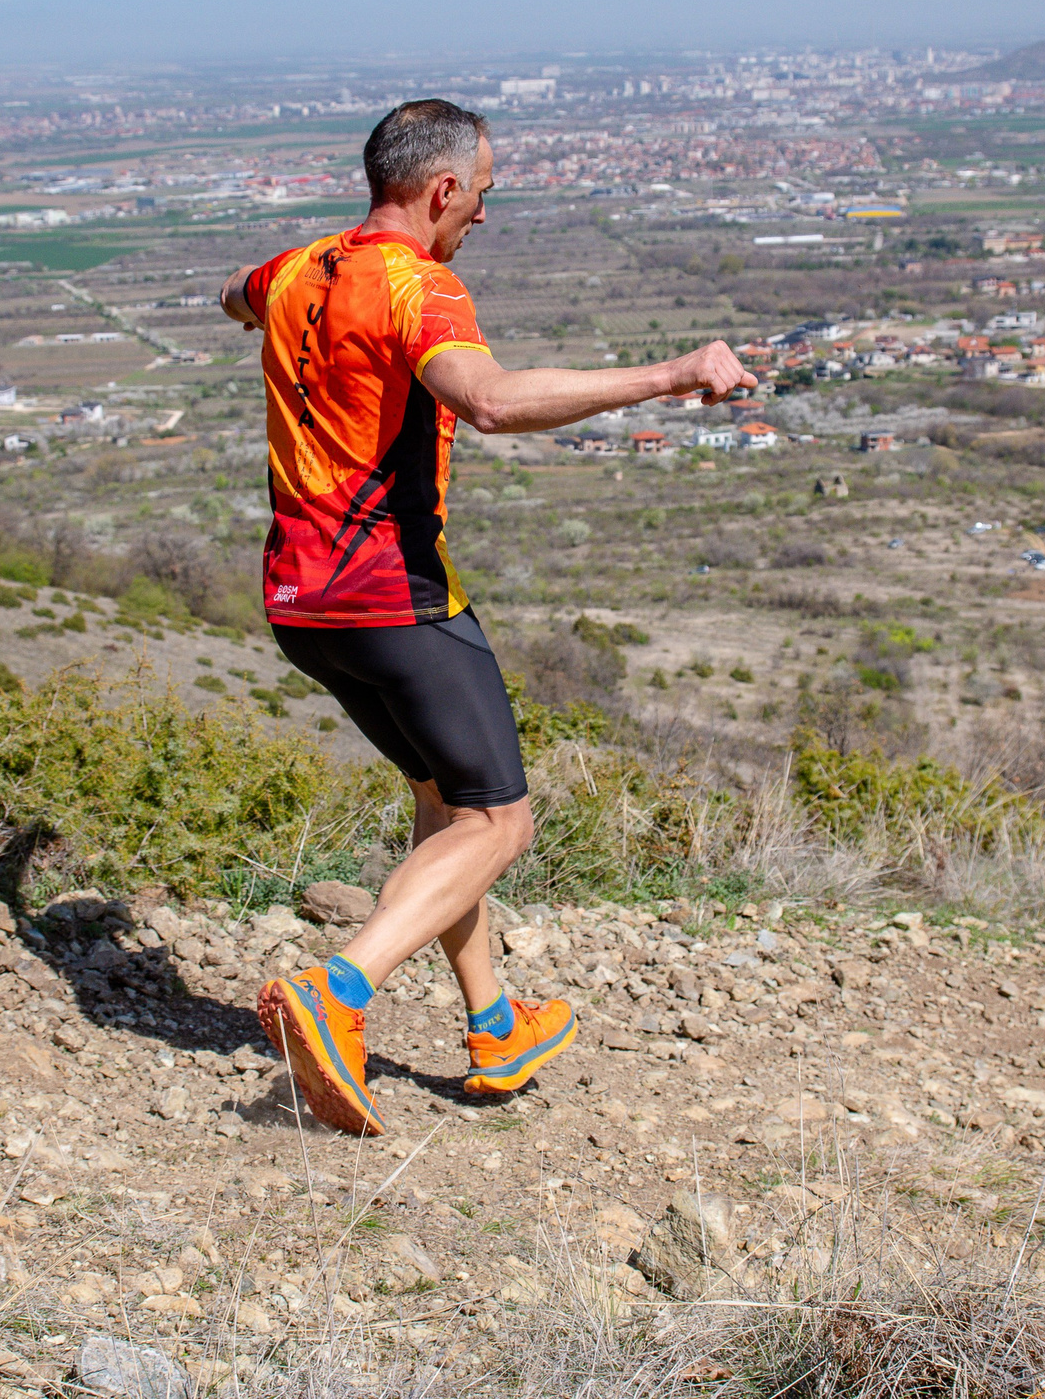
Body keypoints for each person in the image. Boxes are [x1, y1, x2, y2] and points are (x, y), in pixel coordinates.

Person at [217, 98, 758, 1134]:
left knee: (444, 808)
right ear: (442, 191)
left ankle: (495, 1022)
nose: (480, 222)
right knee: (501, 821)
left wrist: (273, 323)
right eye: (483, 200)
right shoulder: (420, 288)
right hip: (397, 601)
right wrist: (676, 373)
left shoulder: (292, 271)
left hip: (301, 605)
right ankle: (337, 995)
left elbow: (229, 300)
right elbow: (493, 401)